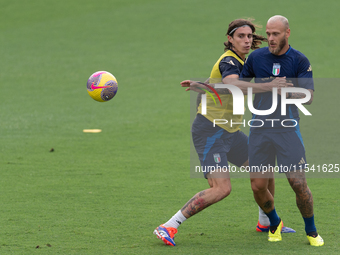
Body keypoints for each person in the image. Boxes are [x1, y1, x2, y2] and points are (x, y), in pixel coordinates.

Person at [153, 19, 294, 247]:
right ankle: (169, 225)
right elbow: (233, 84)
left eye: (249, 36)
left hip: (230, 131)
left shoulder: (240, 60)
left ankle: (266, 221)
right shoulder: (230, 60)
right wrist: (270, 86)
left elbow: (220, 81)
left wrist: (204, 85)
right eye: (241, 36)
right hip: (210, 132)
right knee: (222, 189)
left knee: (265, 168)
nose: (247, 40)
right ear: (230, 39)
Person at [240, 15, 324, 246]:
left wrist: (285, 91)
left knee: (298, 183)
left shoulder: (299, 60)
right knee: (258, 186)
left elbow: (309, 97)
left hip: (287, 129)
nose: (270, 38)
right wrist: (264, 86)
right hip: (260, 129)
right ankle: (274, 223)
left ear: (287, 33)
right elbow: (240, 85)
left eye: (275, 34)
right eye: (268, 34)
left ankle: (311, 231)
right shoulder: (256, 58)